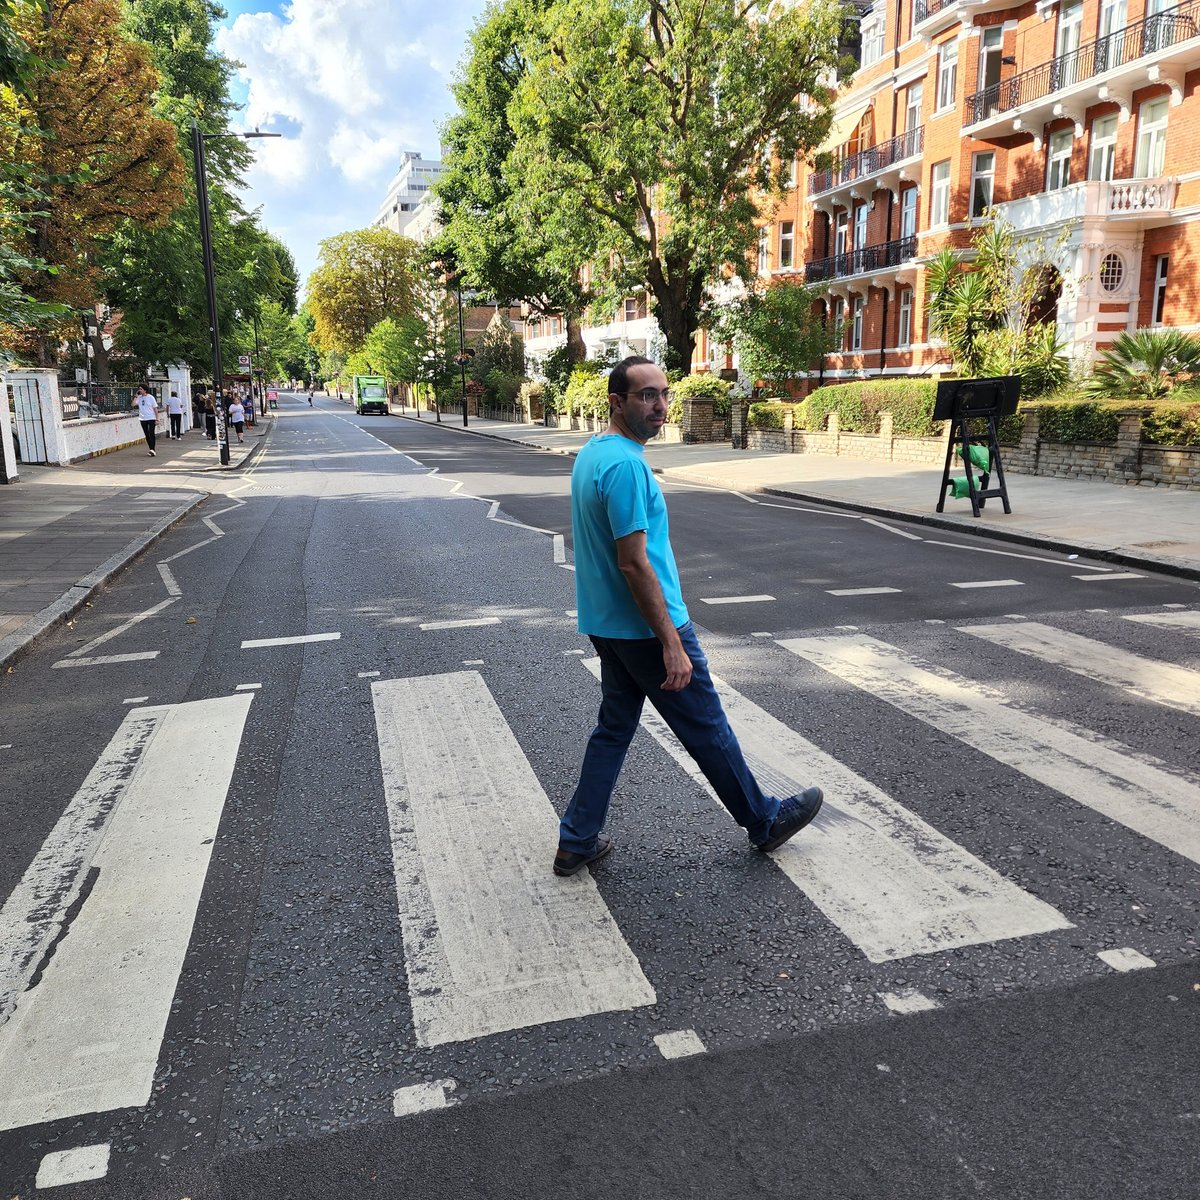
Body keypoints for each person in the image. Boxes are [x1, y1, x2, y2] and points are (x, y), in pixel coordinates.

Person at [555, 356, 823, 877]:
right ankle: (763, 820)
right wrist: (671, 643)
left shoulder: (593, 453)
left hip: (607, 624)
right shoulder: (627, 466)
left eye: (664, 394)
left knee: (612, 730)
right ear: (616, 402)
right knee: (707, 727)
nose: (660, 406)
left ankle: (577, 838)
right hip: (647, 628)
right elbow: (633, 562)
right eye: (646, 396)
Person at [132, 384, 158, 456]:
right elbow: (133, 404)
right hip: (142, 418)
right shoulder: (139, 398)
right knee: (147, 434)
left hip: (151, 417)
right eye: (139, 389)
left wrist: (157, 418)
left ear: (145, 390)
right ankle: (151, 449)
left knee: (151, 433)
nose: (139, 390)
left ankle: (153, 449)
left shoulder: (150, 397)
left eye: (141, 389)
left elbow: (155, 408)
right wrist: (136, 396)